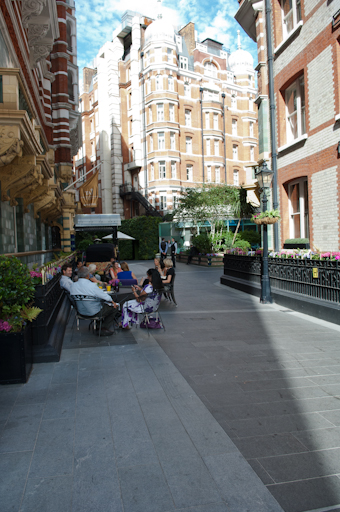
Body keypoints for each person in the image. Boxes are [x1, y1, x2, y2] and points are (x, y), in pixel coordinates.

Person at [70, 266, 120, 336]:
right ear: (88, 275)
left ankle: (99, 325)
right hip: (94, 312)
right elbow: (105, 296)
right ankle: (103, 327)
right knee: (115, 307)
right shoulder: (91, 286)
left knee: (101, 304)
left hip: (80, 312)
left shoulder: (73, 286)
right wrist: (113, 302)